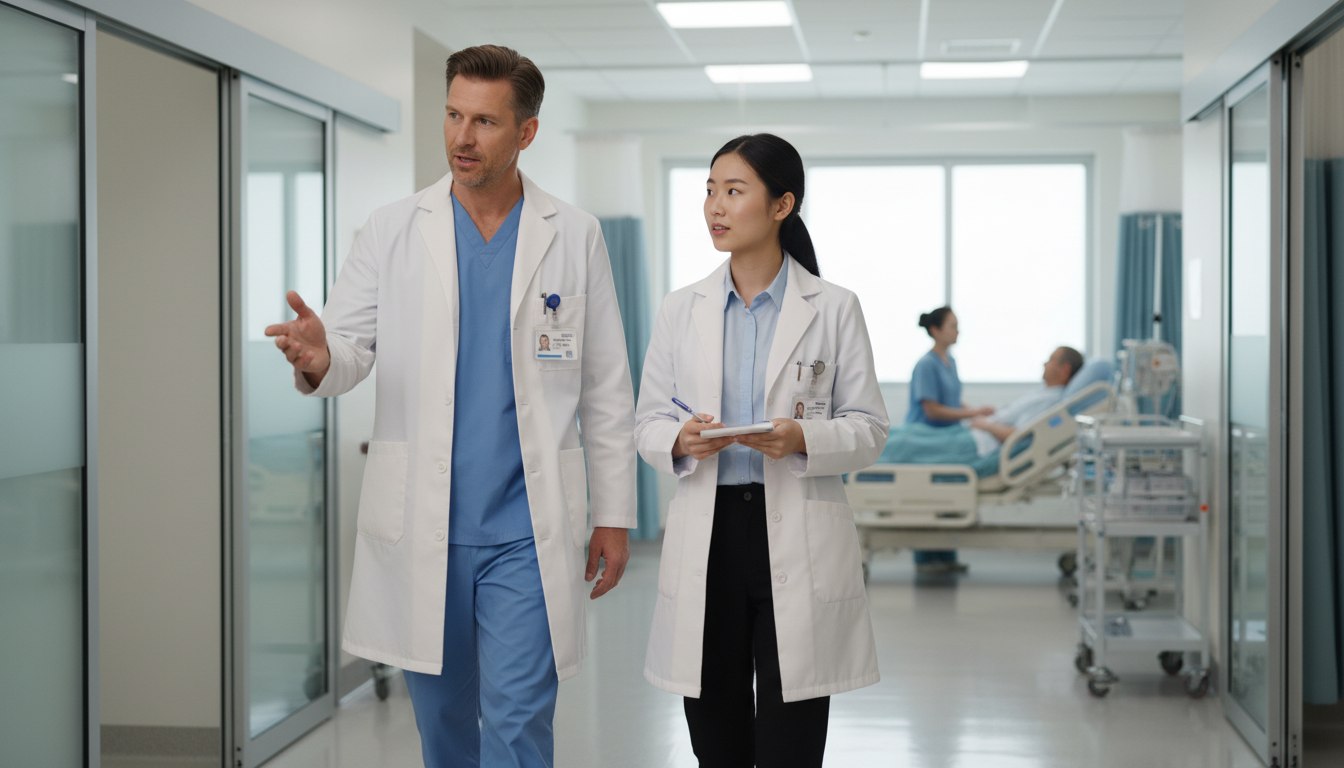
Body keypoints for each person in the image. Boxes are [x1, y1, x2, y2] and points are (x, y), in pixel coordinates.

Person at [264, 45, 636, 768]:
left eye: (486, 122)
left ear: (525, 132)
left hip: (527, 531)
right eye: (453, 116)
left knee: (518, 722)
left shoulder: (574, 233)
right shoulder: (392, 228)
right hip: (423, 525)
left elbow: (605, 388)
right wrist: (319, 356)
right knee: (444, 733)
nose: (463, 137)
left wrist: (613, 516)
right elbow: (348, 352)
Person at [635, 134, 889, 768]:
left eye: (735, 190)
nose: (716, 206)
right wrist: (679, 437)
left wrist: (802, 438)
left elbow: (869, 427)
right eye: (711, 190)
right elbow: (646, 420)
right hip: (710, 529)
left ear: (782, 206)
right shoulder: (680, 308)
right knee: (715, 733)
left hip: (795, 526)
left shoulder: (833, 307)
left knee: (791, 738)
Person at [906, 307, 993, 575]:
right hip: (925, 436)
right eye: (953, 326)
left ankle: (946, 556)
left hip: (946, 435)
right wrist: (972, 414)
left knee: (948, 494)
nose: (958, 331)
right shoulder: (926, 365)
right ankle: (926, 559)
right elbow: (932, 410)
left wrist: (972, 412)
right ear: (936, 331)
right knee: (931, 498)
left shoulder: (950, 361)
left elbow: (952, 402)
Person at [969, 346, 1084, 456]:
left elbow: (1017, 435)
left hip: (984, 444)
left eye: (1051, 359)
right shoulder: (1045, 391)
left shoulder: (1050, 400)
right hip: (981, 435)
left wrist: (986, 425)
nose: (1044, 364)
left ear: (1065, 369)